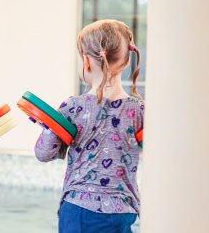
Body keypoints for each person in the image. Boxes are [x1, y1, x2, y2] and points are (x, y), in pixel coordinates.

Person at [35, 19, 144, 233]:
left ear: (86, 62)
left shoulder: (73, 107)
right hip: (123, 209)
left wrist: (49, 128)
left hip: (79, 209)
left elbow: (43, 153)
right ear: (126, 61)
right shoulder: (140, 110)